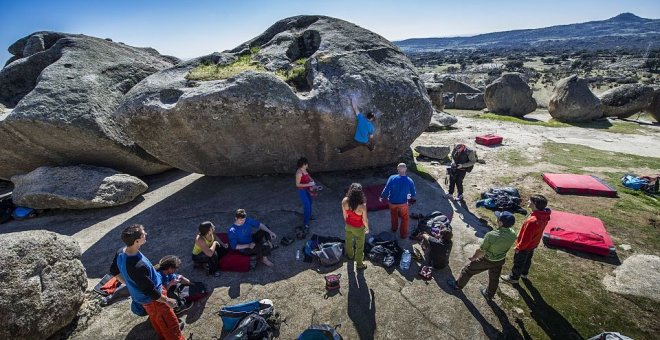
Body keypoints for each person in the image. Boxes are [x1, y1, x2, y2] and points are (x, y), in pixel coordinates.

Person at [110, 224, 184, 340]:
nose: (146, 234)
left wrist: (130, 284)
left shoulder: (121, 252)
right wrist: (167, 300)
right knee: (171, 326)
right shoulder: (137, 266)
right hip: (155, 300)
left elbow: (113, 270)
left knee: (158, 321)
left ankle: (163, 337)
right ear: (137, 241)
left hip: (147, 299)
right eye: (143, 234)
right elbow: (151, 291)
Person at [447, 211, 517, 300]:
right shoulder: (513, 233)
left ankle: (457, 286)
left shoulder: (492, 235)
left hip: (488, 260)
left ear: (500, 223)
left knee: (467, 270)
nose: (496, 218)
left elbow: (481, 250)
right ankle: (489, 295)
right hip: (500, 260)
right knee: (494, 278)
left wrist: (474, 257)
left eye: (498, 218)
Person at [501, 194, 551, 284]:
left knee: (519, 262)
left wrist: (519, 247)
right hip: (533, 244)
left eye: (530, 201)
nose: (528, 201)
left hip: (525, 246)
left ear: (534, 204)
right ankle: (524, 274)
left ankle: (513, 277)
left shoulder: (532, 221)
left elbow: (526, 238)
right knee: (527, 259)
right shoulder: (544, 216)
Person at [380, 163, 417, 239]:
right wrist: (409, 195)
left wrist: (382, 196)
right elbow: (413, 194)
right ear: (406, 169)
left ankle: (394, 228)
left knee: (393, 215)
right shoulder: (410, 181)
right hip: (403, 204)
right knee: (405, 218)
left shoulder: (392, 178)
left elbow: (386, 189)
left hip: (392, 202)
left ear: (397, 169)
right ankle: (403, 235)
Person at [342, 183, 370, 270]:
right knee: (359, 246)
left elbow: (344, 215)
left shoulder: (345, 200)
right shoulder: (362, 206)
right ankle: (359, 264)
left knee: (348, 240)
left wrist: (347, 223)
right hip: (358, 228)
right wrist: (367, 228)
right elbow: (364, 220)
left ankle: (350, 255)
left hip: (348, 225)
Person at [295, 157, 317, 230]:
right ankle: (305, 223)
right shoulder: (299, 173)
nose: (307, 165)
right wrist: (310, 184)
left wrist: (313, 182)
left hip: (308, 189)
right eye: (306, 164)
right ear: (303, 164)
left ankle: (309, 216)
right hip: (302, 191)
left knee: (310, 202)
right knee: (307, 206)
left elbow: (308, 176)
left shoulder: (304, 170)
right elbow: (297, 185)